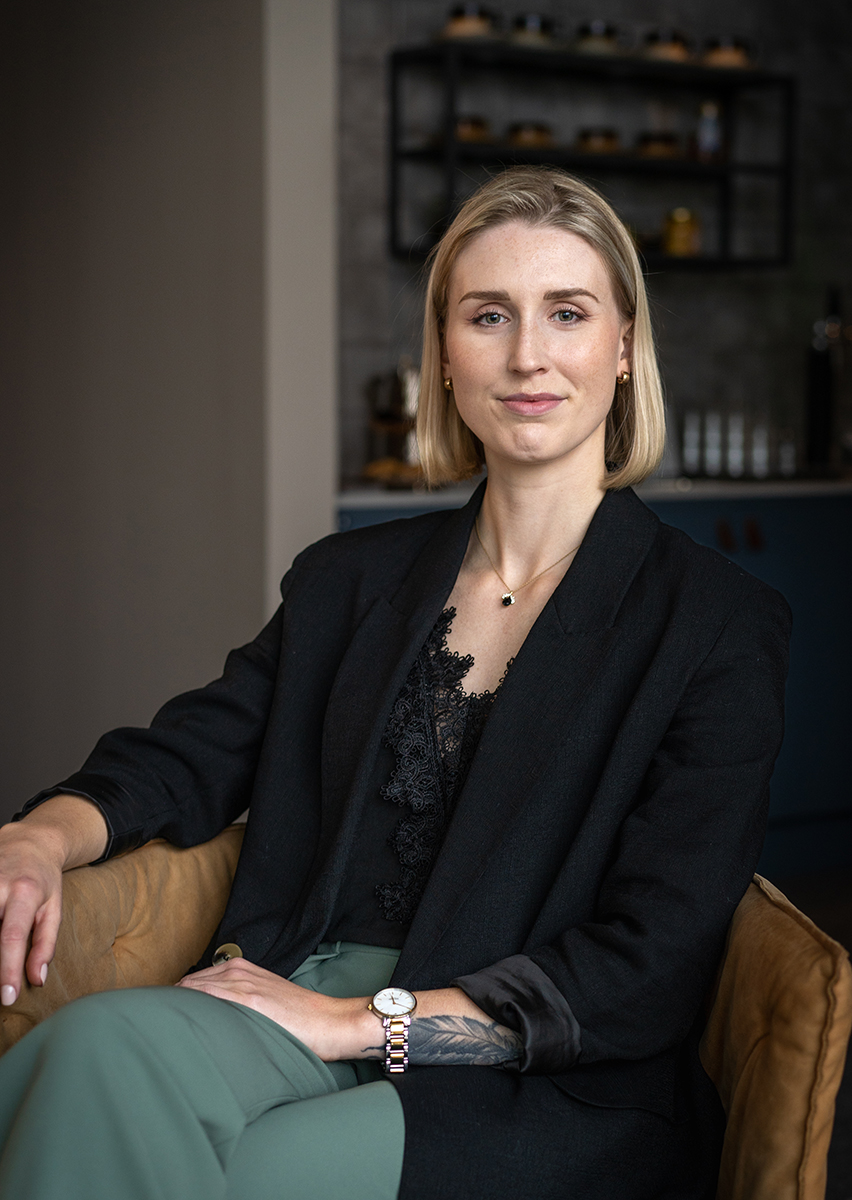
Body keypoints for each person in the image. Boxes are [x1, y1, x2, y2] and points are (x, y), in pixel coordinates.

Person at [0, 166, 790, 1200]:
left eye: (567, 312)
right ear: (445, 358)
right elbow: (194, 752)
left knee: (243, 1177)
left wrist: (361, 1023)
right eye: (488, 315)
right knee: (86, 1050)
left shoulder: (715, 623)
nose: (528, 354)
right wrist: (39, 838)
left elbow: (652, 960)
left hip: (530, 1072)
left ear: (624, 347)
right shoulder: (348, 580)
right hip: (292, 992)